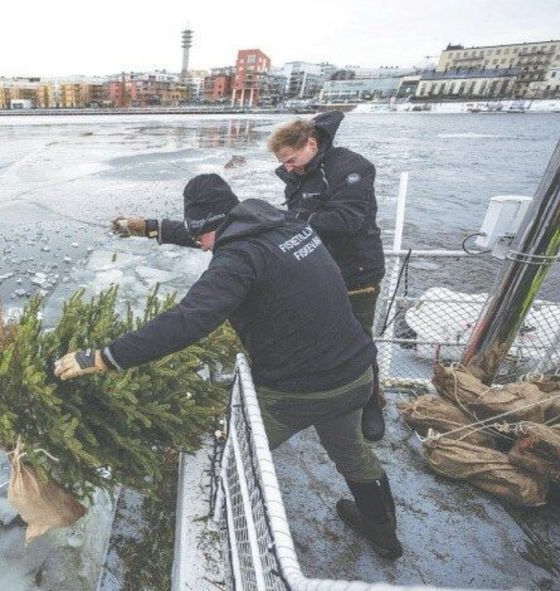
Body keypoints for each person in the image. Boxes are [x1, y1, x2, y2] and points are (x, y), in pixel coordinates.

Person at [63, 173, 403, 559]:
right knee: (351, 450)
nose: (202, 247)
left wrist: (106, 357)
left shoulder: (238, 259)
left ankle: (220, 531)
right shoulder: (281, 222)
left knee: (233, 453)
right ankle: (384, 533)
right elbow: (211, 231)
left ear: (213, 227)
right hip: (357, 372)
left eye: (201, 238)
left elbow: (190, 318)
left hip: (297, 393)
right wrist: (154, 228)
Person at [112, 112, 388, 442]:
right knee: (317, 340)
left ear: (311, 144)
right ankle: (321, 398)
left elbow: (347, 218)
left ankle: (370, 404)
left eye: (291, 159)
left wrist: (284, 222)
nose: (287, 167)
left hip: (353, 273)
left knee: (357, 339)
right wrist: (155, 227)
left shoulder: (350, 168)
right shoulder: (300, 175)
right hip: (309, 270)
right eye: (283, 162)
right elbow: (224, 229)